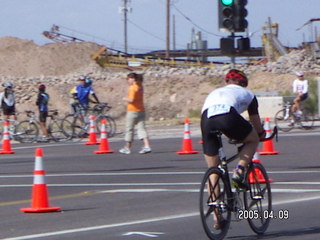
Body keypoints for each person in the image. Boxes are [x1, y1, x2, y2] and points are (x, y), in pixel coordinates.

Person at [201, 69, 266, 189]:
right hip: (227, 115)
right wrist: (261, 134)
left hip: (206, 119)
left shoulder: (216, 91)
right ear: (243, 83)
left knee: (213, 171)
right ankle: (239, 170)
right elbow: (255, 120)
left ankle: (215, 206)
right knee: (253, 139)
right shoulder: (248, 94)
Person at [119, 72, 151, 154]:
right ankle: (147, 146)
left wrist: (124, 98)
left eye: (128, 79)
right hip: (141, 110)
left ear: (133, 79)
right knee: (142, 128)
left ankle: (127, 147)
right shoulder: (140, 87)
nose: (128, 81)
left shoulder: (132, 88)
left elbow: (131, 100)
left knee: (129, 129)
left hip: (132, 111)